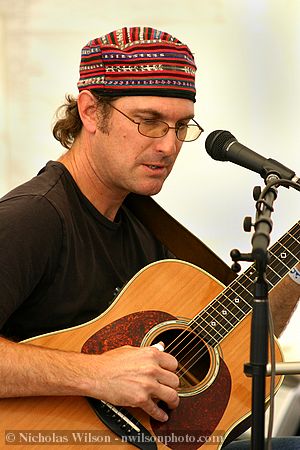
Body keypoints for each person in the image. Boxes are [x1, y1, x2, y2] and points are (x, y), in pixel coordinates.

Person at [0, 26, 299, 449]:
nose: (168, 146)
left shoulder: (145, 225)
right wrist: (97, 375)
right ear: (89, 111)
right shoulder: (35, 216)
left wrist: (297, 270)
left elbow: (242, 338)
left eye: (180, 127)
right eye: (149, 122)